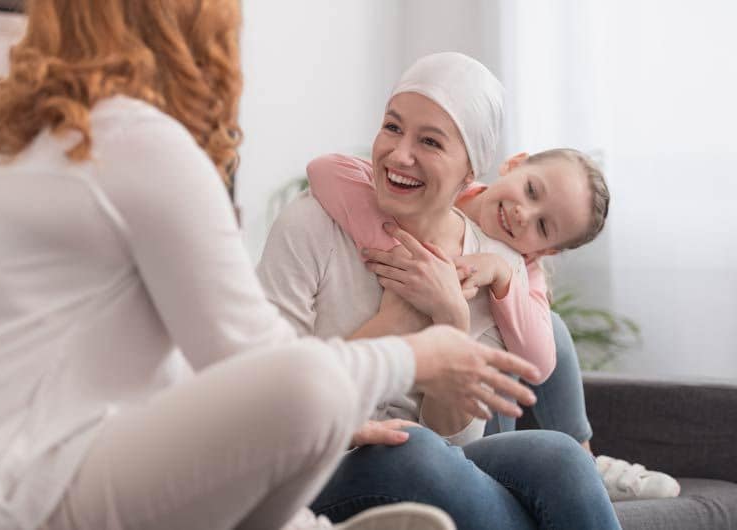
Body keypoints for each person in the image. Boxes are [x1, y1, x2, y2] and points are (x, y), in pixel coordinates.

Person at [0, 3, 549, 530]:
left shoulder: (26, 143)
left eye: (433, 140)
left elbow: (187, 377)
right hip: (9, 495)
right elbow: (271, 375)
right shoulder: (136, 142)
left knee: (546, 456)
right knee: (316, 403)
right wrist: (419, 354)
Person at [257, 52, 622, 529]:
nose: (399, 154)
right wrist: (393, 328)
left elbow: (458, 435)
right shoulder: (311, 224)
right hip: (312, 466)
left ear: (470, 172)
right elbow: (267, 396)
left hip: (440, 460)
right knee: (416, 452)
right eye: (392, 127)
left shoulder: (492, 265)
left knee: (560, 455)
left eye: (429, 141)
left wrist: (452, 320)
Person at [306, 135, 679, 504]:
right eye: (531, 190)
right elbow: (323, 169)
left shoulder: (520, 263)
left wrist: (503, 276)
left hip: (471, 419)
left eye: (543, 226)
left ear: (545, 250)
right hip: (416, 401)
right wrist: (402, 252)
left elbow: (538, 364)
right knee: (551, 326)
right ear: (514, 164)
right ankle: (581, 464)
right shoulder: (443, 187)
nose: (523, 214)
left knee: (549, 328)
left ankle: (583, 463)